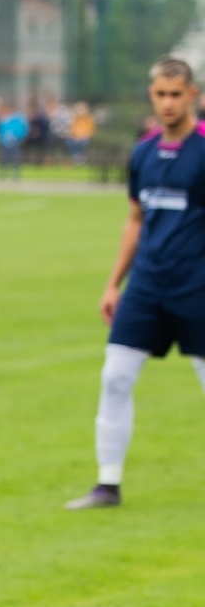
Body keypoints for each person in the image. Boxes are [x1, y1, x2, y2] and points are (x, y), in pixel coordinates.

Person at [66, 58, 205, 510]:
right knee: (115, 377)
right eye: (160, 94)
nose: (168, 103)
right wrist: (113, 284)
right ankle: (107, 484)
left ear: (193, 95)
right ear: (152, 96)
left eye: (176, 94)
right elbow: (135, 219)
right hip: (146, 287)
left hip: (196, 287)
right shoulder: (143, 153)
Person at [0, 104, 28, 180]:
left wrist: (18, 137)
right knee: (4, 158)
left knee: (15, 158)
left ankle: (16, 174)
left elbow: (23, 129)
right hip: (5, 142)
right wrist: (2, 139)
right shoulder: (3, 119)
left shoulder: (18, 119)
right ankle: (2, 174)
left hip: (15, 141)